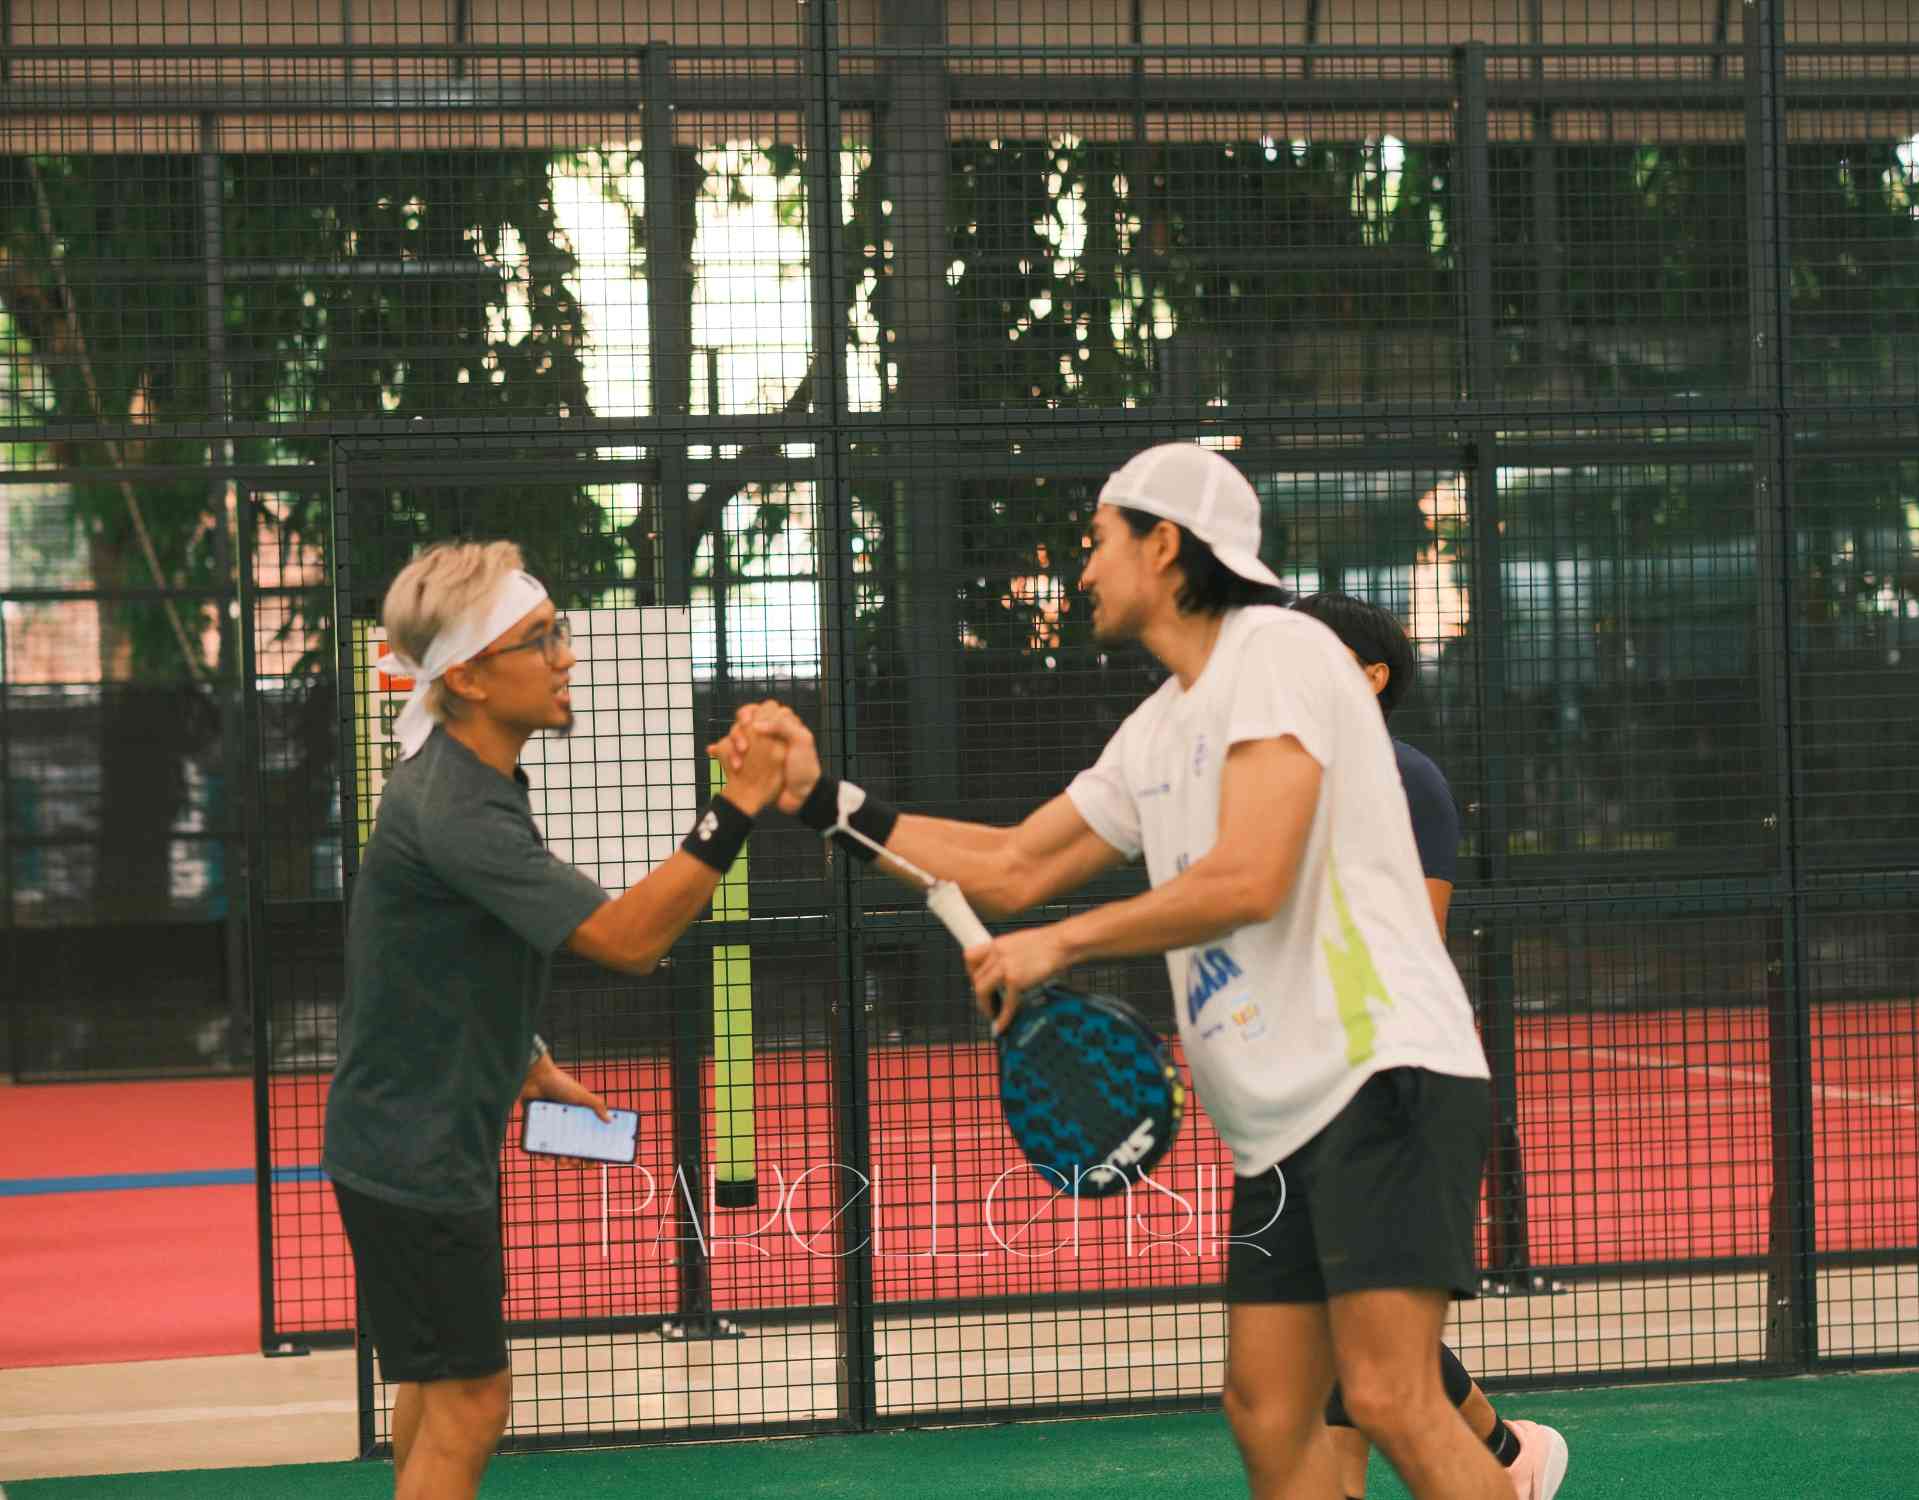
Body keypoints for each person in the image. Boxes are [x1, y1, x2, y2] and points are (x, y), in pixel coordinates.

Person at [718, 444, 1509, 1500]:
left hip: (1378, 1074)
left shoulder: (1275, 652)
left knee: (1388, 1395)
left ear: (1164, 546)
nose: (1082, 568)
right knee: (1269, 1413)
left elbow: (1250, 875)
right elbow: (1013, 864)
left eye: (1097, 541)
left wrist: (1061, 942)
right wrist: (822, 801)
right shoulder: (1160, 725)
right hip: (1279, 1124)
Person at [323, 540, 786, 1500]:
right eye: (539, 639)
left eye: (556, 631)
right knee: (471, 1400)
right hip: (415, 1160)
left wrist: (527, 1061)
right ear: (469, 677)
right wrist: (735, 805)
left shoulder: (456, 778)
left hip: (408, 1149)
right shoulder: (458, 805)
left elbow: (437, 956)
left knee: (436, 1384)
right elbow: (628, 940)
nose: (565, 656)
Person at [1290, 591, 1569, 1500]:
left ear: (1370, 677)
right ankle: (1508, 1455)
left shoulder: (1403, 779)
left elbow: (1417, 932)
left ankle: (1503, 1457)